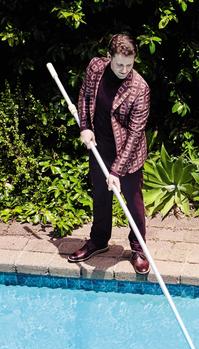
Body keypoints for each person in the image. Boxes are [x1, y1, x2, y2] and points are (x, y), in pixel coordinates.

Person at [68, 33, 151, 274]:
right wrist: (85, 127)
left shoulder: (140, 89)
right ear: (109, 58)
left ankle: (138, 248)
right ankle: (99, 241)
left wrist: (116, 170)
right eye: (119, 64)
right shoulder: (96, 67)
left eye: (129, 64)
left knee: (133, 202)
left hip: (128, 153)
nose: (124, 69)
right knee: (100, 197)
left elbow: (136, 134)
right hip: (99, 145)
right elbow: (85, 96)